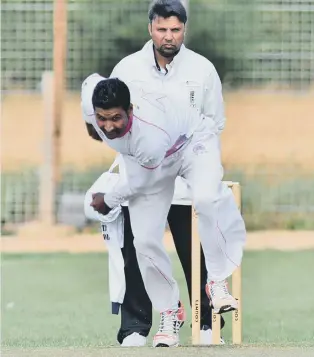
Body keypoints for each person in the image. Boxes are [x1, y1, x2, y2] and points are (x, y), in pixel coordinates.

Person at [81, 73, 246, 347]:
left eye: (116, 119)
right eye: (102, 119)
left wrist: (109, 198)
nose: (108, 127)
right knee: (144, 241)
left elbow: (142, 182)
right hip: (148, 159)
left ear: (130, 111)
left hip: (191, 147)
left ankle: (216, 282)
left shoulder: (149, 136)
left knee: (206, 199)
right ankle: (170, 312)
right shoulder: (94, 107)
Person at [107, 0, 234, 345]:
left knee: (201, 227)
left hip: (188, 170)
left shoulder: (202, 69)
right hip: (146, 171)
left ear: (184, 30)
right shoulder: (128, 69)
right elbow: (116, 121)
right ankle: (153, 320)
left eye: (175, 30)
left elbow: (215, 121)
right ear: (150, 28)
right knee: (143, 245)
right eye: (162, 29)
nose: (168, 36)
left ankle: (208, 320)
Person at [85, 122, 209, 347]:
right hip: (138, 170)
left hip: (184, 172)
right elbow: (96, 126)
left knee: (193, 249)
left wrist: (110, 199)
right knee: (138, 247)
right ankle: (136, 324)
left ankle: (206, 323)